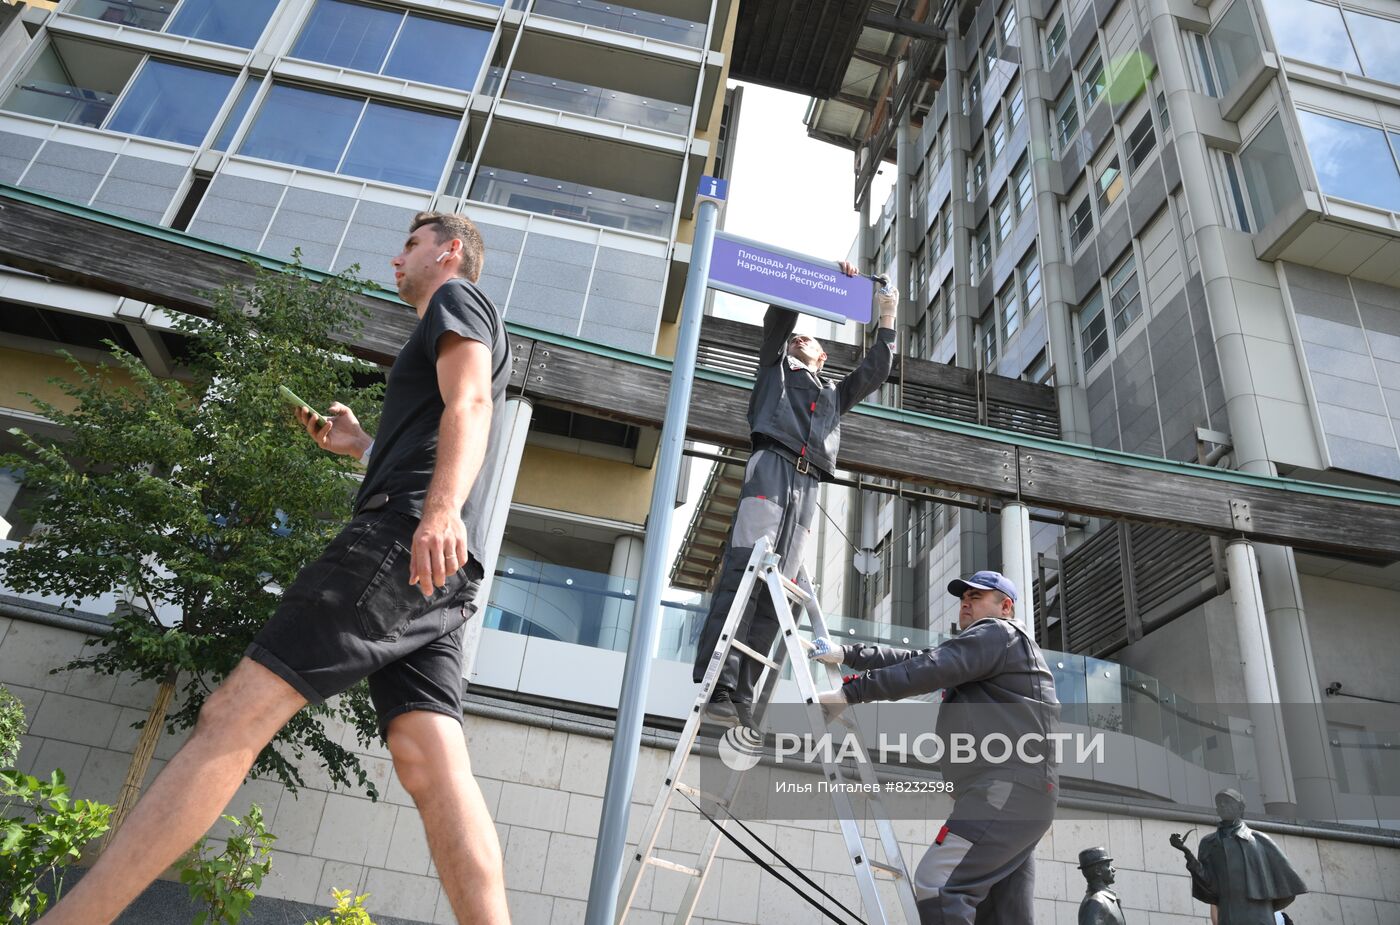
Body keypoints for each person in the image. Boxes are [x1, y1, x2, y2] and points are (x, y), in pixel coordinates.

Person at [40, 212, 513, 925]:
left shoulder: (457, 300)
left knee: (233, 714)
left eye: (410, 245)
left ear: (449, 252)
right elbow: (434, 425)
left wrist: (440, 508)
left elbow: (469, 401)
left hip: (404, 536)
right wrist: (361, 444)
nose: (396, 258)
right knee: (431, 764)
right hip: (434, 568)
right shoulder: (448, 324)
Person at [691, 261, 897, 727]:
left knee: (777, 593)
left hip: (807, 487)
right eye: (796, 338)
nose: (800, 338)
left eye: (810, 338)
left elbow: (876, 369)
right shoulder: (773, 369)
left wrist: (887, 313)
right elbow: (779, 320)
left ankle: (744, 693)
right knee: (747, 571)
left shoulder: (833, 395)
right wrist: (816, 277)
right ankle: (719, 682)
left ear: (824, 357)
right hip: (771, 470)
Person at [808, 570, 1060, 924]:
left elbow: (930, 667)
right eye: (963, 598)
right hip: (1021, 795)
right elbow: (920, 659)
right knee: (1004, 915)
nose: (965, 604)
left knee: (937, 883)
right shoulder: (992, 648)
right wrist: (848, 653)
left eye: (976, 597)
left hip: (1006, 790)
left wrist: (850, 692)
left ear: (1006, 606)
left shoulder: (998, 633)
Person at [1171, 788, 1307, 925]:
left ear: (1240, 808)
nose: (1223, 805)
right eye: (1219, 803)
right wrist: (1187, 853)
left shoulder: (1259, 840)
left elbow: (1288, 886)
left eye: (1228, 802)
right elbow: (1208, 884)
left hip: (1258, 914)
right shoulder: (1208, 843)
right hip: (1228, 914)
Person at [1077, 846, 1127, 925]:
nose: (1113, 869)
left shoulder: (1105, 899)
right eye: (1108, 865)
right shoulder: (1095, 903)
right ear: (1098, 871)